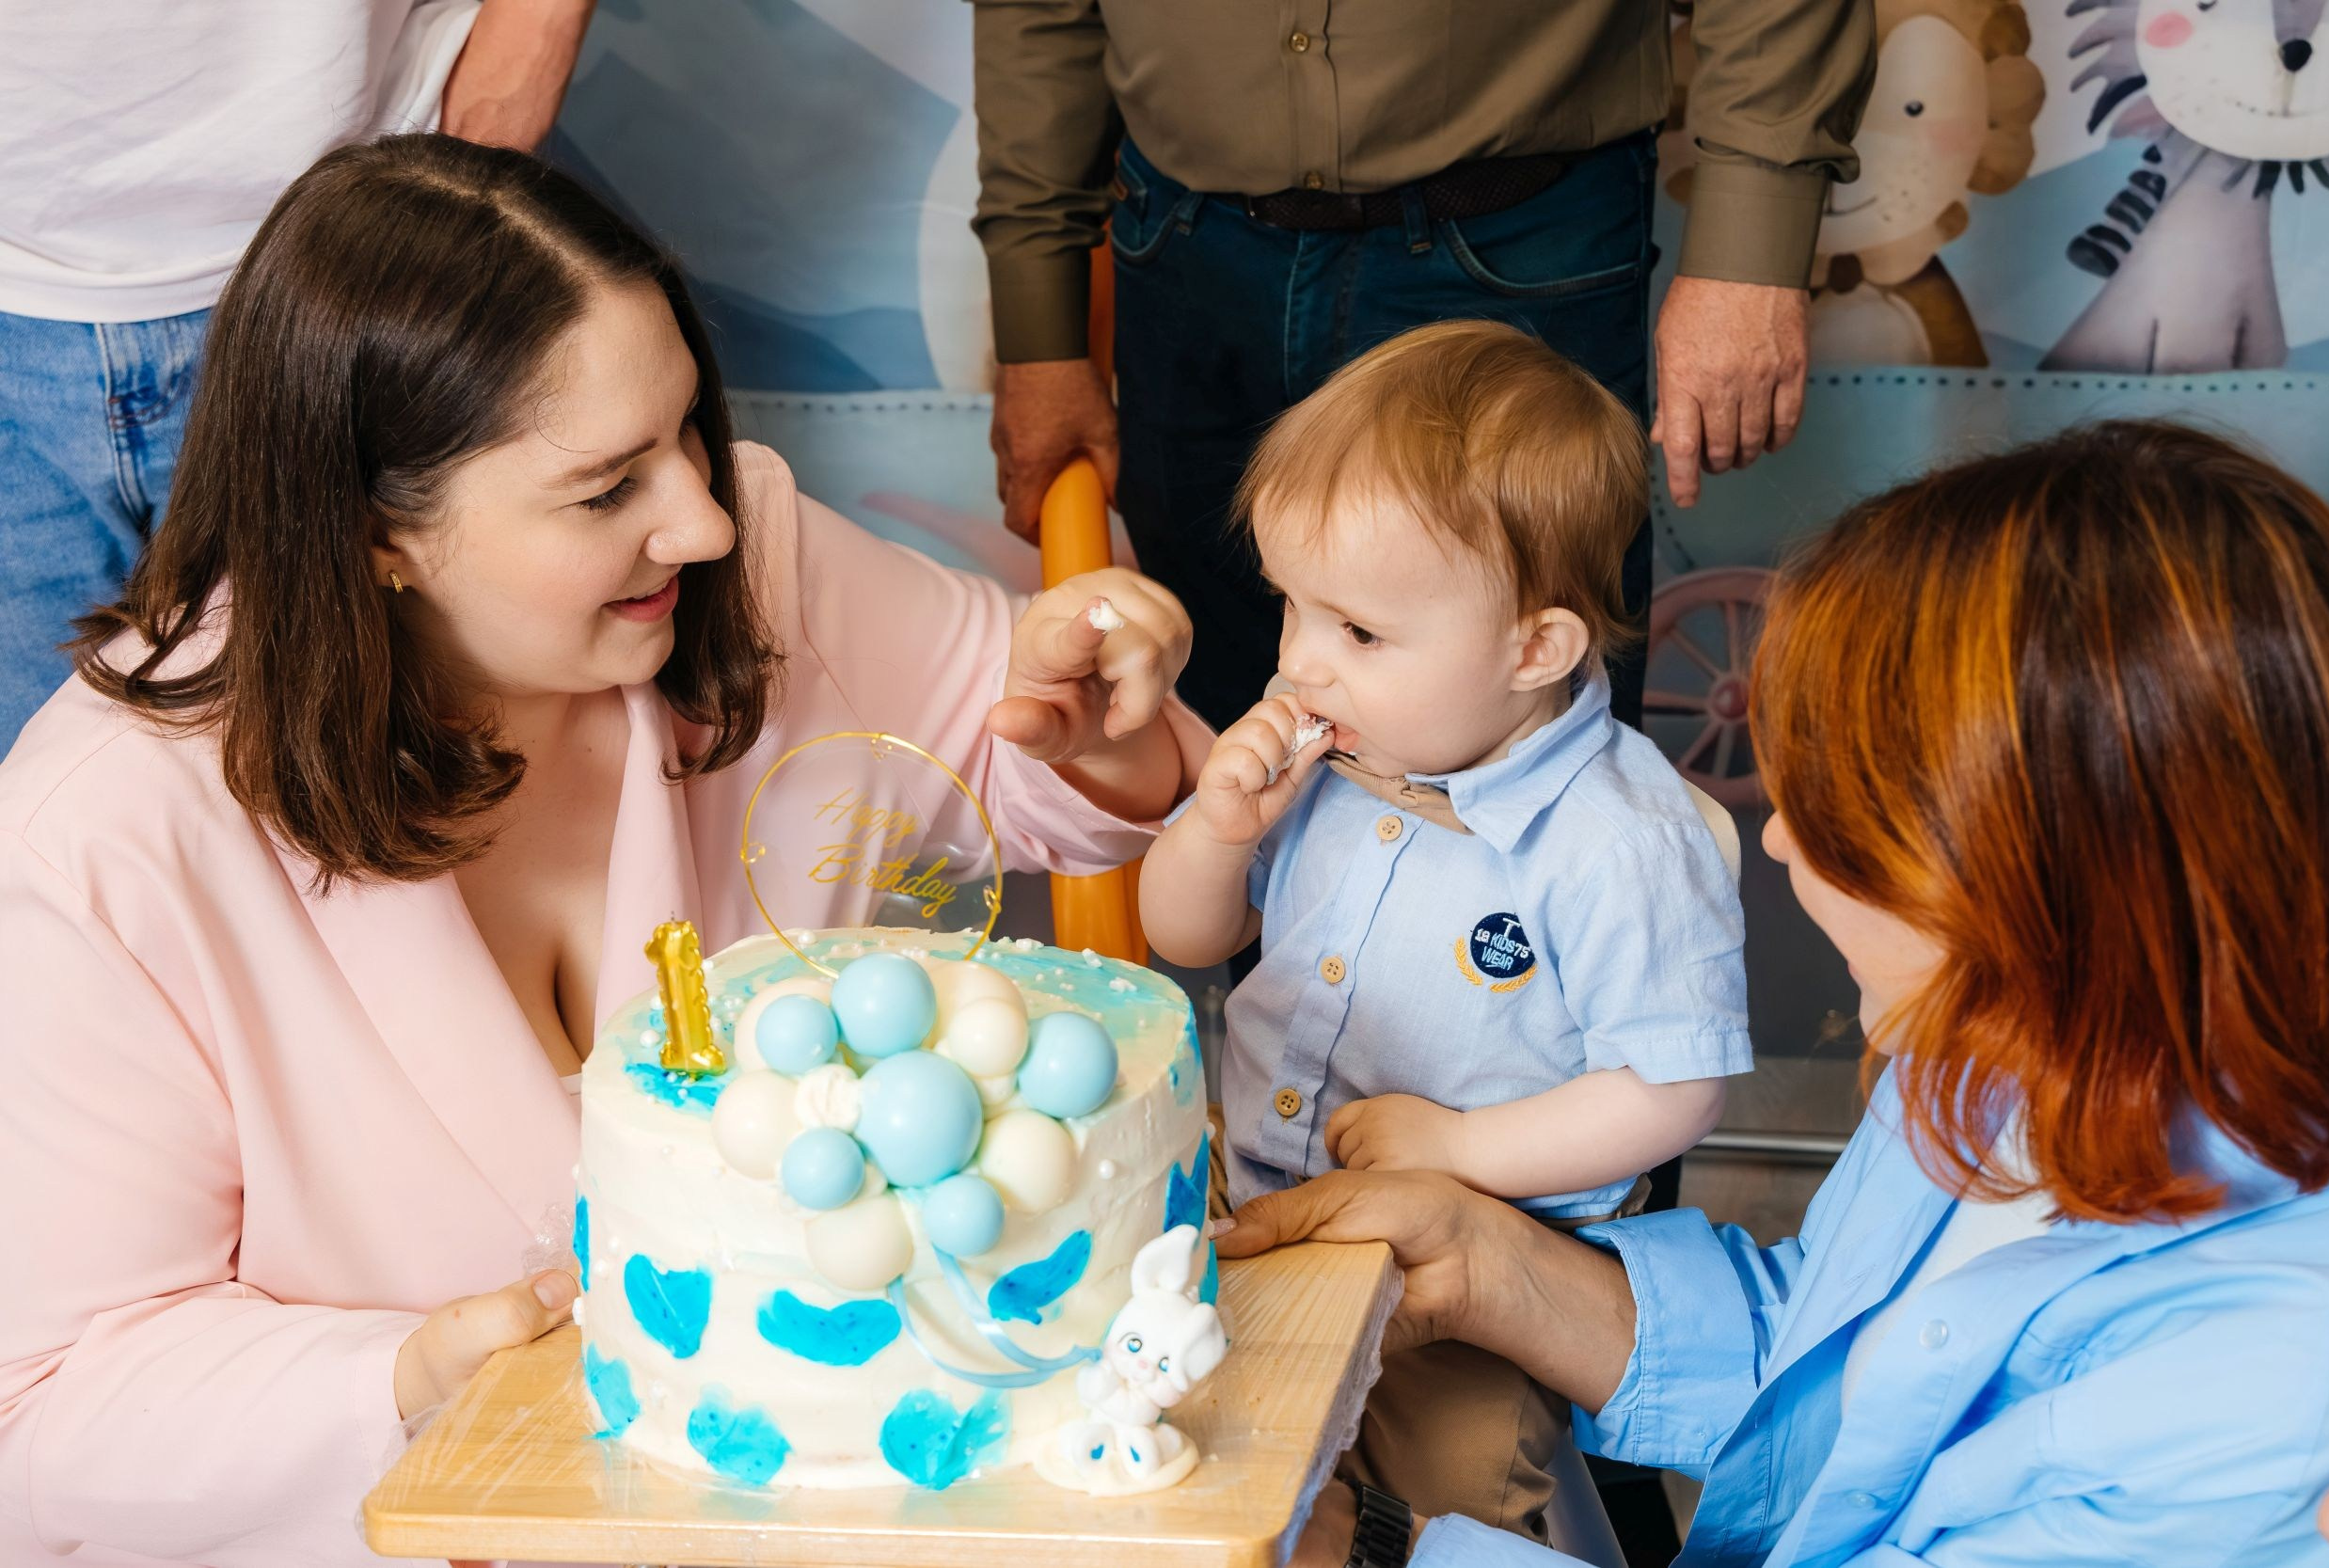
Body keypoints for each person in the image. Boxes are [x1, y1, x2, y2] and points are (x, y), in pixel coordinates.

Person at [0, 135, 1204, 1566]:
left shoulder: (746, 557)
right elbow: (47, 1416)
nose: (701, 516)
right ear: (377, 530)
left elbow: (1035, 765)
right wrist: (414, 1381)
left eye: (687, 431)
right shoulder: (103, 841)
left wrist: (1098, 722)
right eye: (603, 489)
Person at [1220, 420, 2329, 1567]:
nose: (1780, 845)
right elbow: (1835, 1370)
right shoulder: (2007, 1037)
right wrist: (1481, 1263)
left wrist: (1362, 1547)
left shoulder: (2264, 1399)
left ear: (2040, 871)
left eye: (1846, 824)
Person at [1139, 322, 1749, 1539]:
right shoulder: (1330, 746)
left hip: (1467, 1287)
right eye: (1292, 607)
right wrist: (1213, 827)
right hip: (1250, 1211)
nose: (1302, 664)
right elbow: (1186, 937)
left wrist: (1460, 1148)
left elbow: (1673, 1086)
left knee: (1436, 1515)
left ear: (1535, 648)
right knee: (1219, 1484)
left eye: (1358, 631)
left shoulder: (1615, 840)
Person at [972, 0, 1875, 731]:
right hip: (1186, 247)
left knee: (1532, 746)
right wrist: (1037, 325)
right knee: (1214, 732)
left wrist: (1750, 253)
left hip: (1518, 232)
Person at [0, 0, 598, 752]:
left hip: (357, 227)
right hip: (16, 281)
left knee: (374, 753)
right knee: (30, 781)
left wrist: (538, 28)